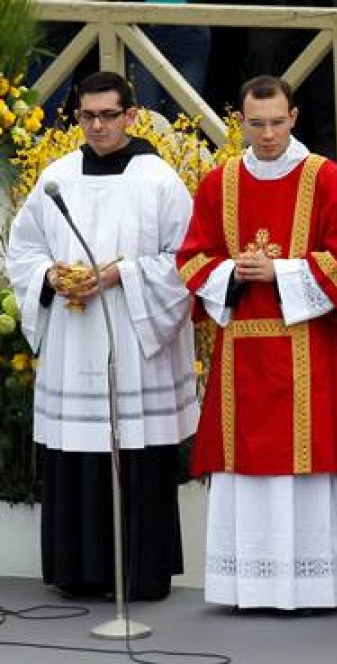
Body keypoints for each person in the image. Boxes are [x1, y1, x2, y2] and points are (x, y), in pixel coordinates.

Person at [176, 75, 337, 611]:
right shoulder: (219, 183)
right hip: (241, 356)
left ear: (293, 117)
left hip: (309, 354)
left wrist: (280, 271)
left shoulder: (328, 179)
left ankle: (320, 585)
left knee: (305, 476)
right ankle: (246, 586)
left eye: (276, 122)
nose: (267, 135)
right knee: (247, 474)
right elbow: (192, 260)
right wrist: (232, 271)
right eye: (255, 124)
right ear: (240, 121)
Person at [7, 71, 198, 601]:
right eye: (87, 116)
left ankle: (140, 573)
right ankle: (78, 572)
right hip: (73, 333)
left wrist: (118, 274)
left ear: (131, 115)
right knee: (77, 450)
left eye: (108, 115)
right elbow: (22, 248)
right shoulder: (58, 177)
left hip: (131, 341)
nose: (97, 126)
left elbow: (184, 260)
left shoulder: (158, 180)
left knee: (132, 448)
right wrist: (51, 276)